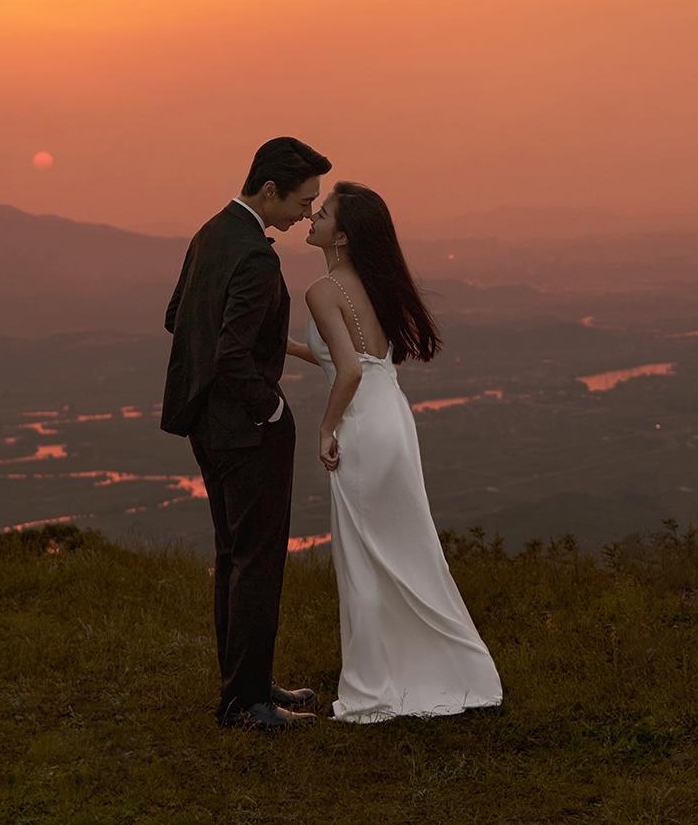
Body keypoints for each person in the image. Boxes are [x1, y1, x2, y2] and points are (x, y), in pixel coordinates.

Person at [291, 180, 504, 722]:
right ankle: (452, 669)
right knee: (407, 551)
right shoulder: (370, 283)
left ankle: (373, 687)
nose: (313, 216)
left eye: (326, 212)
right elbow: (355, 358)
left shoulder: (322, 290)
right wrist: (281, 346)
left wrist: (325, 428)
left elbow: (349, 370)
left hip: (361, 422)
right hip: (392, 418)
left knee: (363, 558)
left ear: (343, 235)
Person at [161, 136, 331, 731]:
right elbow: (234, 354)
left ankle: (248, 687)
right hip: (248, 430)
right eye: (303, 200)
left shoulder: (211, 232)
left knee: (234, 556)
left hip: (206, 425)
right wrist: (272, 411)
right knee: (258, 560)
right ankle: (248, 704)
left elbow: (176, 317)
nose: (307, 213)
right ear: (269, 190)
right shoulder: (258, 257)